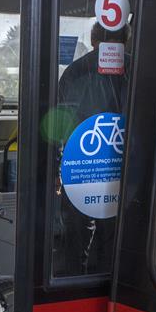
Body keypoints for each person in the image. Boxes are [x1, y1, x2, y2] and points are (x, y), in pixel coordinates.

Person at [55, 22, 131, 276]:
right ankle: (109, 280)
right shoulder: (137, 70)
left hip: (80, 164)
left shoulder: (75, 71)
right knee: (114, 231)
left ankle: (74, 282)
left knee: (76, 234)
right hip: (122, 167)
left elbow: (59, 124)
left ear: (93, 39)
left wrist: (57, 168)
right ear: (126, 39)